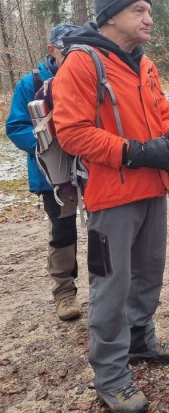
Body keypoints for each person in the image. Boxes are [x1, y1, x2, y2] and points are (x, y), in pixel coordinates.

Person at [52, 0, 169, 413]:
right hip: (111, 196)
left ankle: (140, 341)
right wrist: (137, 152)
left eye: (149, 11)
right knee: (111, 288)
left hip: (152, 188)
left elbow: (160, 111)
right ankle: (111, 376)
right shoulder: (82, 63)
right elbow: (73, 133)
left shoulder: (144, 63)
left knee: (149, 274)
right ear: (111, 16)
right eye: (139, 11)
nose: (148, 19)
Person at [6, 23, 81, 322]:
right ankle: (64, 293)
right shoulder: (30, 83)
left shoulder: (84, 76)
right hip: (51, 174)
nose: (72, 54)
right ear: (52, 49)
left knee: (104, 226)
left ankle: (105, 288)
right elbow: (15, 127)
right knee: (63, 231)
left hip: (90, 167)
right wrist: (47, 145)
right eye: (66, 49)